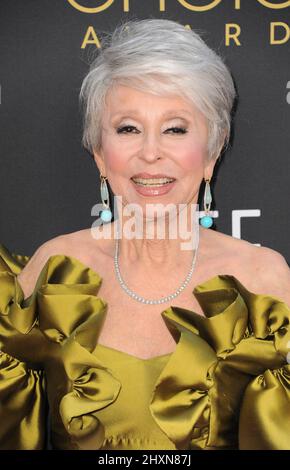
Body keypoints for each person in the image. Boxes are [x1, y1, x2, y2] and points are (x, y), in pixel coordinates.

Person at [0, 18, 290, 451]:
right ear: (99, 151)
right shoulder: (56, 270)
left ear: (213, 149)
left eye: (175, 128)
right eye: (128, 128)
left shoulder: (264, 281)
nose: (150, 152)